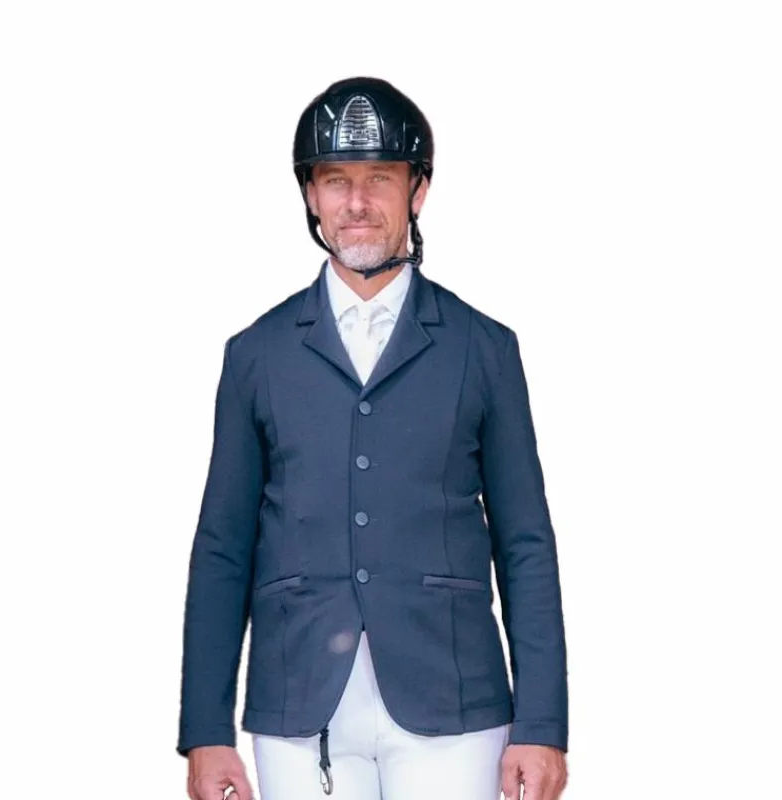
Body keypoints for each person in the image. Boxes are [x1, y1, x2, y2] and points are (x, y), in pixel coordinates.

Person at [177, 76, 569, 800]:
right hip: (298, 704)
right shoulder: (256, 354)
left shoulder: (484, 349)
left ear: (418, 190)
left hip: (454, 701)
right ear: (311, 196)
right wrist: (206, 730)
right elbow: (223, 546)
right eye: (336, 180)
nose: (357, 202)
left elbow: (525, 543)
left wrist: (541, 724)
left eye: (379, 178)